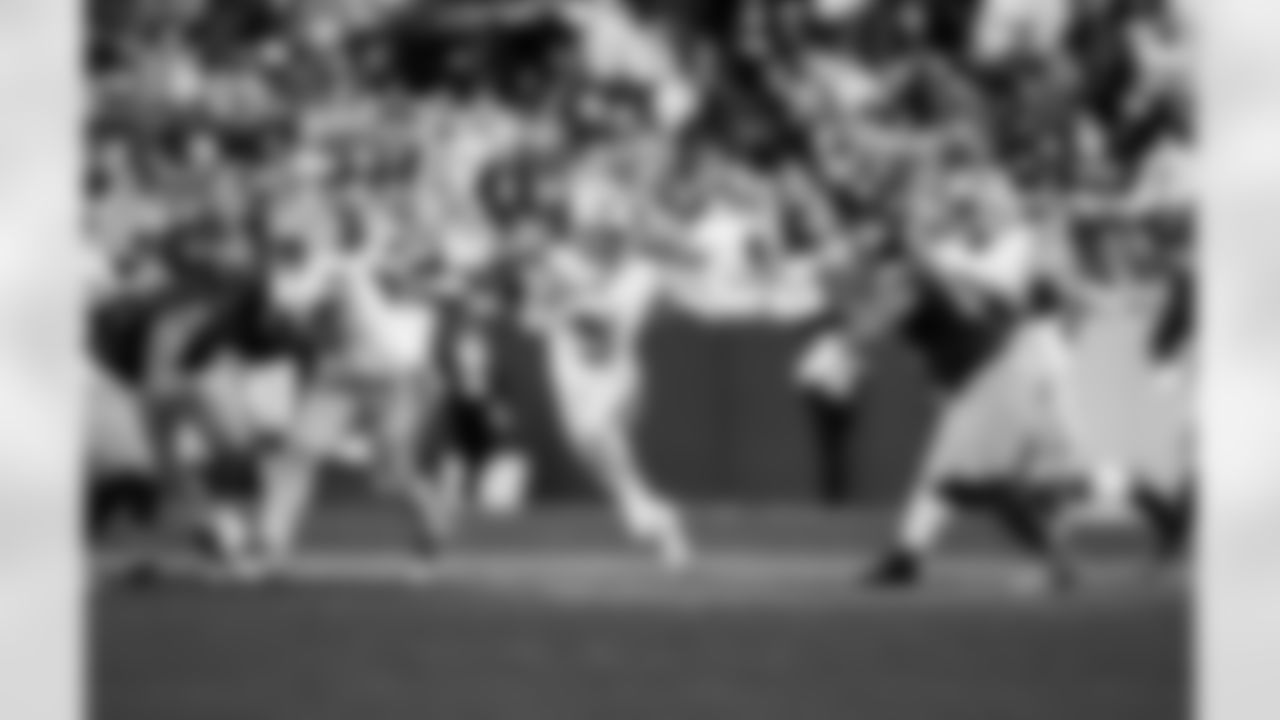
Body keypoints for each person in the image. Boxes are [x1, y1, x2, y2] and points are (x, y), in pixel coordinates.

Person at [865, 171, 1089, 592]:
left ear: (1002, 207)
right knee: (954, 476)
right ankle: (906, 557)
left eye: (976, 207)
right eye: (965, 209)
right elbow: (920, 291)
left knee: (983, 478)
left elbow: (997, 293)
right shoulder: (960, 247)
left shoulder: (1017, 243)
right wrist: (916, 253)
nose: (969, 216)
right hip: (980, 374)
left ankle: (1060, 557)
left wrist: (929, 255)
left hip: (1006, 369)